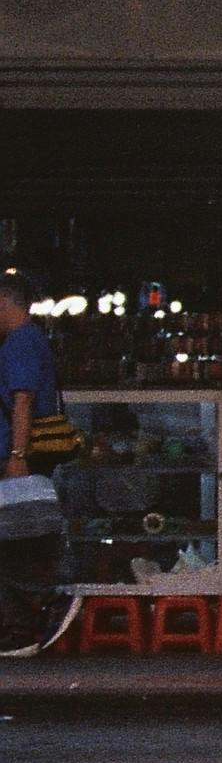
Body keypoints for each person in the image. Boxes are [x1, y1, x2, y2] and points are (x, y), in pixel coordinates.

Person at [0, 271, 76, 658]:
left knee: (16, 538)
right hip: (20, 456)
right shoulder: (29, 340)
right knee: (16, 539)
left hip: (17, 457)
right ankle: (21, 623)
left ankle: (40, 609)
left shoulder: (20, 342)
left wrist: (16, 455)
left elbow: (22, 400)